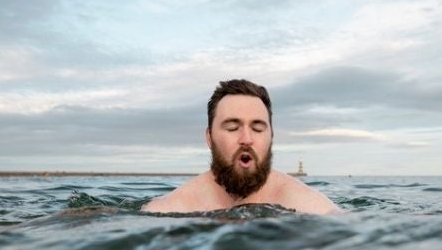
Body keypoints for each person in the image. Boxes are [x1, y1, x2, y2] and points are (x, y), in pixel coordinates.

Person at [141, 79, 340, 215]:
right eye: (232, 127)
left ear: (271, 137)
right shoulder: (169, 210)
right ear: (209, 138)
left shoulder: (314, 208)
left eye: (258, 128)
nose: (246, 139)